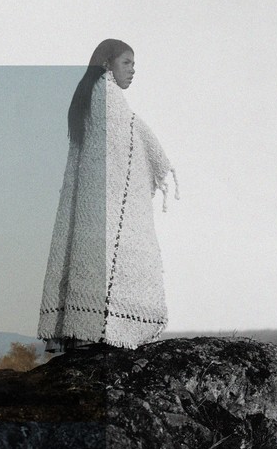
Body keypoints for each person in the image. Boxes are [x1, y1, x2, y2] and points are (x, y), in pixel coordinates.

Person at [37, 39, 178, 352]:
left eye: (134, 64)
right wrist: (156, 160)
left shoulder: (90, 94)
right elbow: (129, 139)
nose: (133, 70)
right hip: (104, 206)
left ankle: (83, 332)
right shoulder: (106, 95)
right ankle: (99, 332)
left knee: (89, 264)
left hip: (91, 207)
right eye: (127, 62)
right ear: (107, 64)